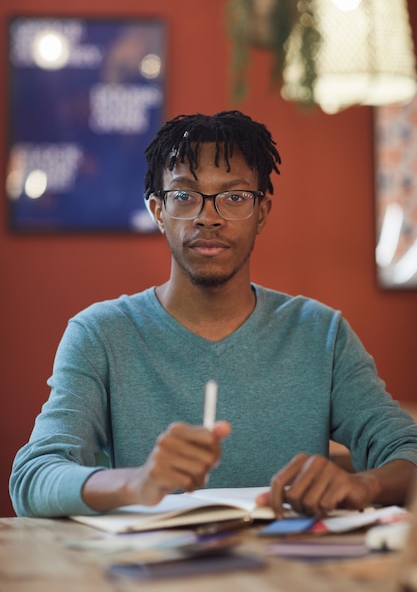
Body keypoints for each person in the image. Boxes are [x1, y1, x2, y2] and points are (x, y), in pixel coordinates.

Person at [10, 110, 417, 520]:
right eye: (185, 196)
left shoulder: (321, 334)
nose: (209, 216)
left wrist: (362, 483)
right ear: (158, 212)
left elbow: (408, 450)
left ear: (262, 212)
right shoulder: (100, 335)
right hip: (150, 577)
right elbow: (33, 476)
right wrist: (136, 482)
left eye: (235, 197)